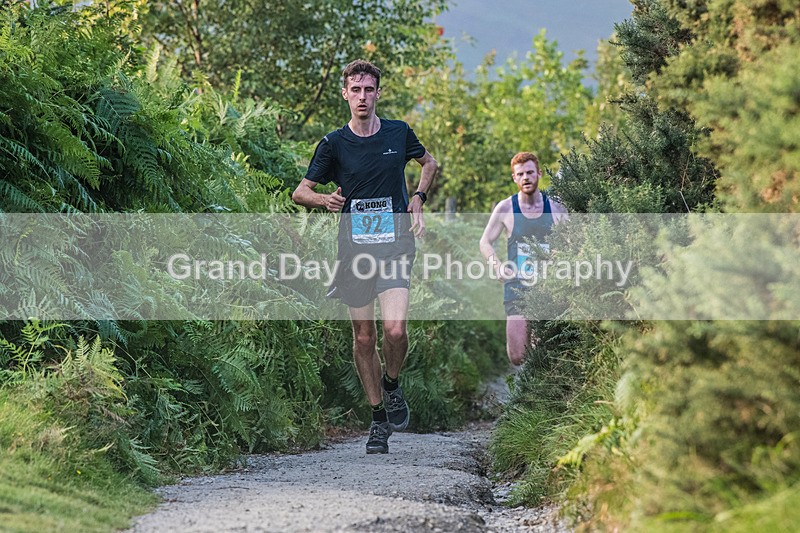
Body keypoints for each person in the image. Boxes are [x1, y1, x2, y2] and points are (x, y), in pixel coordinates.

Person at [292, 59, 437, 454]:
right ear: (345, 94)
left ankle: (391, 384)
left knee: (394, 331)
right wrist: (325, 199)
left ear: (378, 93)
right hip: (355, 250)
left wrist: (419, 199)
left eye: (368, 90)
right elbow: (299, 191)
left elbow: (430, 163)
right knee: (363, 336)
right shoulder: (333, 143)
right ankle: (377, 418)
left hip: (394, 245)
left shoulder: (398, 132)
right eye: (355, 90)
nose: (362, 97)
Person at [479, 152, 568, 367]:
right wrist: (497, 266)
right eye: (520, 174)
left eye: (530, 172)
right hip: (517, 289)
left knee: (542, 352)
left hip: (548, 289)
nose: (526, 177)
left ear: (538, 174)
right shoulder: (505, 208)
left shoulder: (555, 209)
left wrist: (560, 257)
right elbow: (485, 242)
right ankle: (528, 382)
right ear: (514, 178)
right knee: (517, 356)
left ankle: (534, 393)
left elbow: (571, 243)